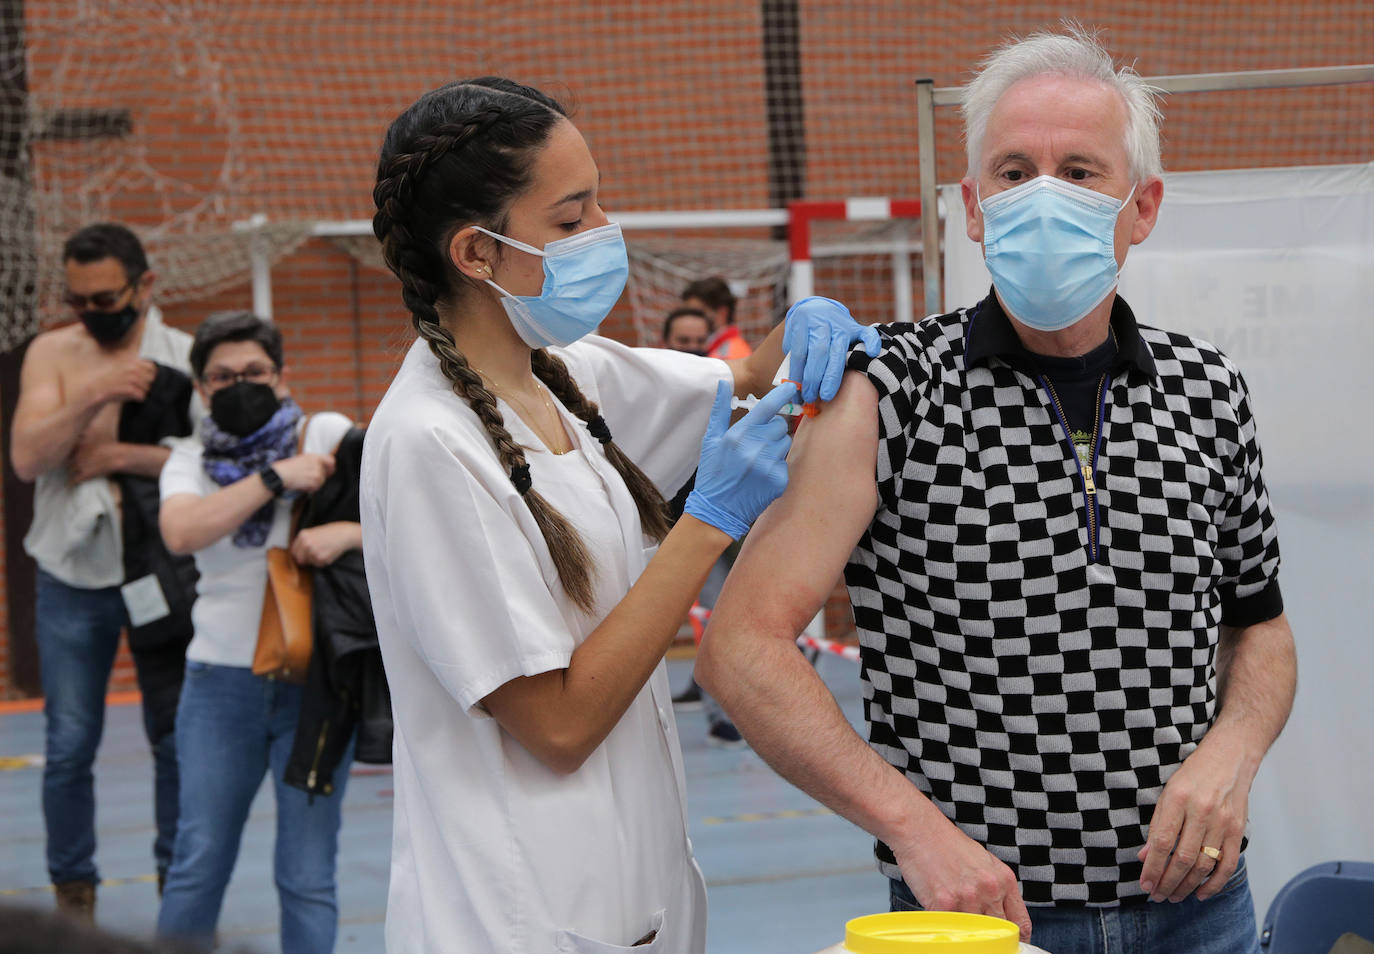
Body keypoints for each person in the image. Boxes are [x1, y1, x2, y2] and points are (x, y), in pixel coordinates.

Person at [697, 24, 1296, 954]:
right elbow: (741, 649)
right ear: (974, 208)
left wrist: (1234, 753)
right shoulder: (889, 391)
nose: (1043, 195)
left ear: (1142, 206)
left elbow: (1260, 628)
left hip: (1202, 914)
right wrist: (914, 830)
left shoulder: (1207, 390)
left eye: (1080, 171)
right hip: (976, 924)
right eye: (1015, 173)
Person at [364, 76, 877, 953]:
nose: (605, 230)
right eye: (572, 219)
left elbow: (748, 376)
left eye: (598, 201)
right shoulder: (428, 444)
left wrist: (807, 322)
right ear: (476, 253)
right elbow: (558, 725)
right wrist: (706, 524)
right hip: (515, 921)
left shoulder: (568, 377)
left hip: (635, 899)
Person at [8, 222, 199, 919]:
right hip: (72, 572)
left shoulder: (184, 354)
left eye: (105, 298)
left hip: (160, 569)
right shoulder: (53, 353)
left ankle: (176, 890)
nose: (92, 312)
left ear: (144, 286)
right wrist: (93, 393)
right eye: (78, 300)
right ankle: (74, 897)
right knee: (68, 743)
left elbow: (215, 463)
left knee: (174, 738)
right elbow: (28, 458)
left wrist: (121, 457)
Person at [155, 311, 360, 953]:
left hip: (315, 683)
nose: (239, 384)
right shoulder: (187, 458)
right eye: (222, 376)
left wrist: (348, 533)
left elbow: (411, 511)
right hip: (219, 687)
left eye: (254, 371)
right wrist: (275, 478)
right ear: (200, 388)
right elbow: (182, 532)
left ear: (281, 376)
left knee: (307, 873)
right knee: (199, 860)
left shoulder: (324, 433)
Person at [683, 276, 753, 360]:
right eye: (687, 313)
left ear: (722, 312)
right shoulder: (713, 347)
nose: (688, 319)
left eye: (697, 313)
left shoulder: (731, 352)